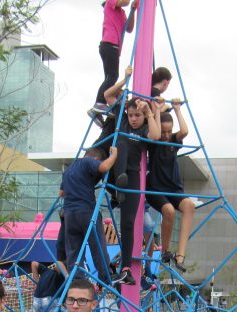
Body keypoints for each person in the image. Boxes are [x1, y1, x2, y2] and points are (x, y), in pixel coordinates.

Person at [102, 67, 160, 285]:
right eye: (131, 115)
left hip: (131, 177)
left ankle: (126, 268)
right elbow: (108, 95)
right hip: (115, 171)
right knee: (121, 144)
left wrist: (150, 112)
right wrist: (125, 79)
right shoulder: (123, 122)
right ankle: (117, 187)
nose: (134, 119)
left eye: (138, 115)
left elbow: (155, 136)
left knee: (127, 222)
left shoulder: (144, 129)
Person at [147, 101, 195, 273]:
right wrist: (156, 111)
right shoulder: (154, 141)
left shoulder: (174, 141)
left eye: (169, 131)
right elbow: (156, 133)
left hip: (173, 188)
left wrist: (177, 109)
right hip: (156, 188)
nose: (166, 135)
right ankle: (165, 251)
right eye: (164, 131)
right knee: (168, 211)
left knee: (189, 205)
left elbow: (184, 131)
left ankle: (180, 255)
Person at [61, 147, 117, 286]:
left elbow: (61, 193)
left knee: (73, 250)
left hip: (69, 215)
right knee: (97, 245)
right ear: (95, 159)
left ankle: (76, 279)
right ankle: (105, 276)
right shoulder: (88, 162)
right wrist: (114, 155)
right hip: (86, 210)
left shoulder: (69, 169)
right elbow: (103, 167)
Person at [89, 0, 138, 120]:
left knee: (109, 78)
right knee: (113, 76)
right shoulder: (110, 3)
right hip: (109, 44)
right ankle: (99, 102)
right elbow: (125, 2)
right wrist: (130, 4)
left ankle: (96, 112)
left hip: (112, 47)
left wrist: (133, 10)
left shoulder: (121, 12)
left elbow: (129, 28)